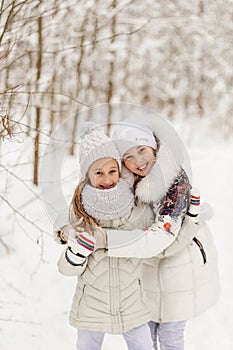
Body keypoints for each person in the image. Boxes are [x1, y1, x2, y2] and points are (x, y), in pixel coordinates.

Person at [104, 120, 220, 350]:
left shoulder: (175, 179)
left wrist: (108, 243)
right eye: (128, 156)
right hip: (146, 269)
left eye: (141, 150)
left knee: (170, 334)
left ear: (153, 147)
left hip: (179, 267)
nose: (138, 161)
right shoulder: (125, 184)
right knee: (146, 333)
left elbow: (163, 238)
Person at [56, 122, 156, 350]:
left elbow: (151, 239)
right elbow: (65, 266)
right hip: (92, 302)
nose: (107, 178)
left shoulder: (136, 203)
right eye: (98, 172)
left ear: (120, 171)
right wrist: (75, 250)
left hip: (131, 301)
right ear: (86, 175)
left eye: (112, 171)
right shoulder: (80, 210)